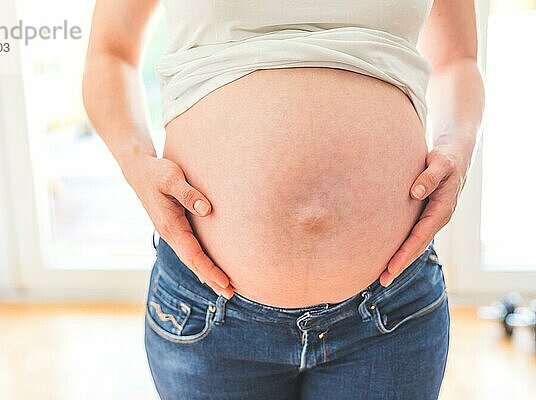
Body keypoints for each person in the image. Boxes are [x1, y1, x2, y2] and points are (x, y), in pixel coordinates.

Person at [83, 0, 484, 398]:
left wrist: (458, 145)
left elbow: (457, 58)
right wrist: (136, 162)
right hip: (209, 311)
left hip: (390, 311)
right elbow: (111, 53)